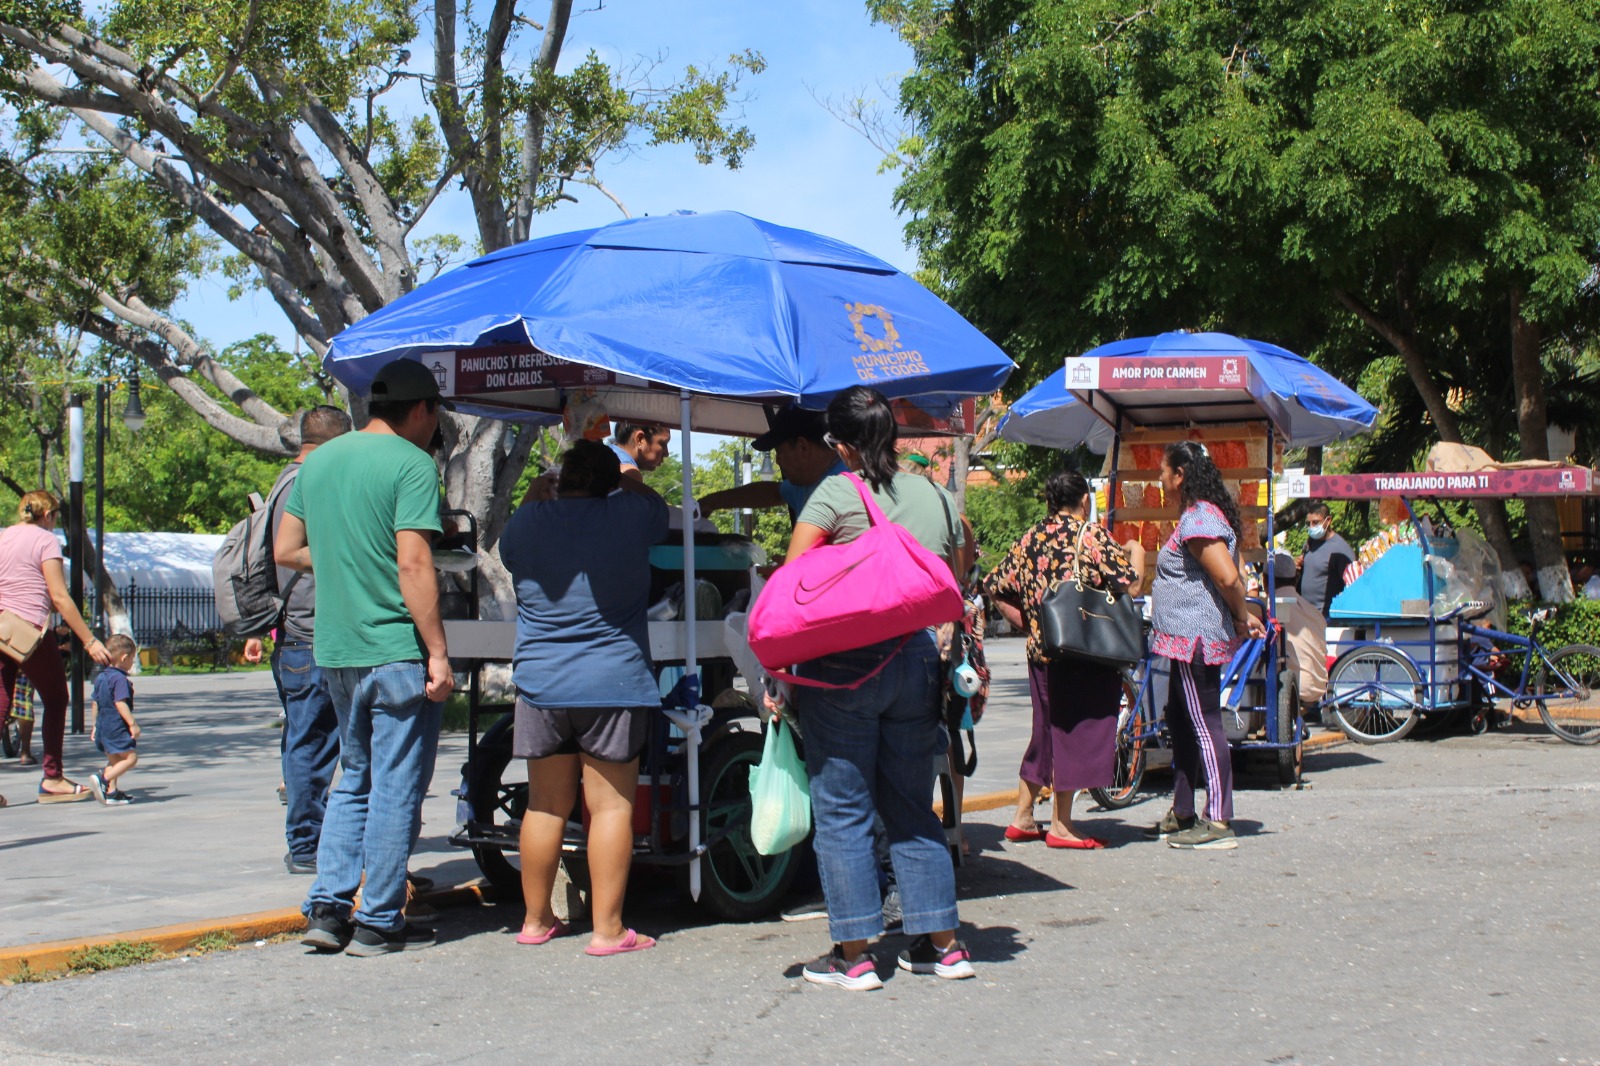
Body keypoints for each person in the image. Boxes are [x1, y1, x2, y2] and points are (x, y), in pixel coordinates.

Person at [771, 385, 973, 991]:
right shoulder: (937, 495)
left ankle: (853, 955)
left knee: (843, 812)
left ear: (841, 444)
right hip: (916, 658)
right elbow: (954, 577)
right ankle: (945, 946)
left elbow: (793, 585)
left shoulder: (837, 491)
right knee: (913, 807)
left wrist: (784, 677)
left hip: (845, 668)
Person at [275, 358, 453, 956]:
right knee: (397, 785)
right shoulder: (412, 464)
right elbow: (414, 564)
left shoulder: (320, 460)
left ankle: (328, 909)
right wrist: (438, 652)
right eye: (436, 415)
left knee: (352, 780)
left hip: (336, 647)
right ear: (422, 409)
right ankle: (379, 918)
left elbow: (286, 548)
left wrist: (346, 559)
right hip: (395, 648)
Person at [500, 440, 669, 956]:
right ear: (607, 481)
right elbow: (657, 510)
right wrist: (624, 479)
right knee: (610, 808)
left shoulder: (527, 524)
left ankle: (534, 921)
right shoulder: (630, 517)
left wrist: (533, 492)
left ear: (562, 477)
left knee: (546, 806)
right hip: (612, 682)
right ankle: (608, 930)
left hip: (541, 682)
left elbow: (508, 552)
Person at [985, 470, 1144, 848]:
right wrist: (1136, 549)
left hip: (1042, 652)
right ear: (1085, 501)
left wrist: (1032, 625)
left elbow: (995, 585)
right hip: (1081, 653)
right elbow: (1131, 583)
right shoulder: (1089, 536)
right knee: (1076, 732)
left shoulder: (1030, 537)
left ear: (1048, 501)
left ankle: (1023, 817)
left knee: (1045, 733)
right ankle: (1062, 825)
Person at [244, 405, 354, 875]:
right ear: (335, 442)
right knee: (311, 743)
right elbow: (288, 554)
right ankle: (307, 843)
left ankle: (314, 838)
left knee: (308, 738)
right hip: (308, 632)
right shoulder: (303, 483)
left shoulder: (288, 480)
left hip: (301, 632)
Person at [1147, 442, 1267, 851]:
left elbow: (1228, 578)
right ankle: (1184, 811)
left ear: (1180, 474)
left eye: (1163, 471)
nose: (1159, 479)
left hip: (1194, 638)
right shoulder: (1199, 515)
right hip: (1185, 641)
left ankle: (1218, 822)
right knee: (1180, 718)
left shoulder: (1199, 517)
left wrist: (1240, 613)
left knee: (1203, 723)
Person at [0, 490, 113, 806]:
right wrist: (89, 640)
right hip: (27, 631)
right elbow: (60, 596)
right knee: (55, 697)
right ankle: (52, 778)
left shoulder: (5, 536)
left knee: (1, 699)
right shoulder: (45, 540)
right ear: (48, 515)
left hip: (0, 625)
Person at [696, 406, 845, 523]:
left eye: (780, 452)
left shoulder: (843, 487)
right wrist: (710, 502)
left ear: (802, 447)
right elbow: (773, 493)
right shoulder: (808, 481)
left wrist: (795, 562)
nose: (778, 460)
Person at [1271, 551, 1329, 722]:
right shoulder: (1311, 609)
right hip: (1318, 685)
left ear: (1267, 581)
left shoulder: (1278, 604)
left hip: (1294, 687)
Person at [87, 634, 141, 805]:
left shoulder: (101, 677)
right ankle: (103, 778)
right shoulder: (119, 679)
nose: (132, 662)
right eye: (132, 658)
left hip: (103, 725)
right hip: (115, 726)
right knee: (130, 759)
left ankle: (111, 792)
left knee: (115, 760)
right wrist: (132, 724)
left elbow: (95, 703)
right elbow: (120, 703)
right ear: (124, 658)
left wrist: (95, 725)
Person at [1297, 503, 1354, 618]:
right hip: (1305, 613)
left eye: (1316, 522)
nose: (1311, 527)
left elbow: (1351, 585)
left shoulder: (1340, 549)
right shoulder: (1309, 543)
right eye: (1308, 523)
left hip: (1326, 617)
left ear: (1328, 521)